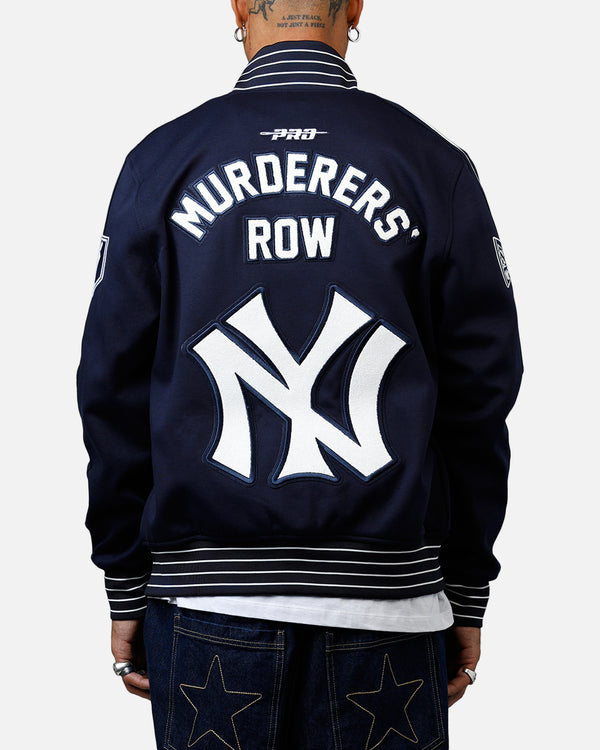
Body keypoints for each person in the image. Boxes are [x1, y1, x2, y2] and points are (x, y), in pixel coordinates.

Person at [77, 1, 523, 747]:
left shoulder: (160, 163)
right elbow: (480, 394)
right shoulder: (430, 163)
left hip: (206, 612)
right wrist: (467, 584)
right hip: (390, 611)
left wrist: (124, 576)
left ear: (237, 4)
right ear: (356, 6)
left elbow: (110, 387)